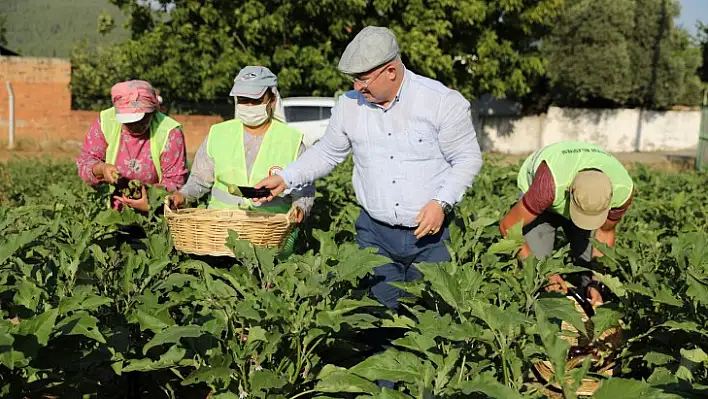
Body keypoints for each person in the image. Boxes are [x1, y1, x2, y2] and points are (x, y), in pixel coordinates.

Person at [252, 26, 483, 312]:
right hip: (375, 234)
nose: (357, 87)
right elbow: (327, 152)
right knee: (377, 317)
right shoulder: (349, 106)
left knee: (430, 320)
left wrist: (441, 202)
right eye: (353, 79)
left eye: (363, 79)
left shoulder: (440, 102)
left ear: (391, 71)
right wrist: (284, 178)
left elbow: (468, 158)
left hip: (430, 236)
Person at [167, 66, 314, 254]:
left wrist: (300, 208)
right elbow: (199, 180)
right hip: (218, 232)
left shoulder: (292, 140)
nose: (250, 106)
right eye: (244, 100)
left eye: (256, 100)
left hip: (270, 232)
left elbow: (305, 189)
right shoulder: (218, 133)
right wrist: (183, 196)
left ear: (272, 100)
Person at [499, 141, 635, 304]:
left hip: (564, 193)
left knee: (589, 263)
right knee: (534, 273)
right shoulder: (547, 186)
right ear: (569, 191)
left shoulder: (623, 191)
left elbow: (605, 233)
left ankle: (589, 298)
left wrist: (597, 281)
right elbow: (508, 226)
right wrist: (542, 272)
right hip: (541, 201)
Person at [76, 80, 188, 212]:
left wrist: (151, 200)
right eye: (128, 121)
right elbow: (85, 162)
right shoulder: (106, 121)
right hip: (109, 215)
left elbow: (176, 182)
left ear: (152, 112)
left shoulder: (170, 132)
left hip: (156, 214)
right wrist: (101, 169)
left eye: (141, 119)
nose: (135, 125)